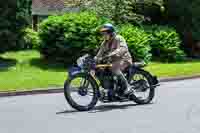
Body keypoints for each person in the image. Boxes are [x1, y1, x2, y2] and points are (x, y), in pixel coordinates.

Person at [94, 23, 133, 95]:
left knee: (114, 68)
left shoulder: (118, 38)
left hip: (124, 59)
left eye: (105, 33)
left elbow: (123, 48)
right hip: (113, 61)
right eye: (103, 34)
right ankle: (107, 88)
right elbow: (99, 53)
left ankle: (128, 87)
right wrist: (95, 59)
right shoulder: (104, 43)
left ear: (111, 33)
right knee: (100, 69)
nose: (104, 35)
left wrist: (112, 54)